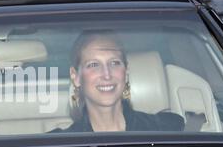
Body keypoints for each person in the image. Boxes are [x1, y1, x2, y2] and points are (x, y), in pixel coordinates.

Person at [54, 29, 184, 133]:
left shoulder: (167, 131)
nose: (106, 74)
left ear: (126, 71)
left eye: (114, 63)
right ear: (76, 76)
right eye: (93, 65)